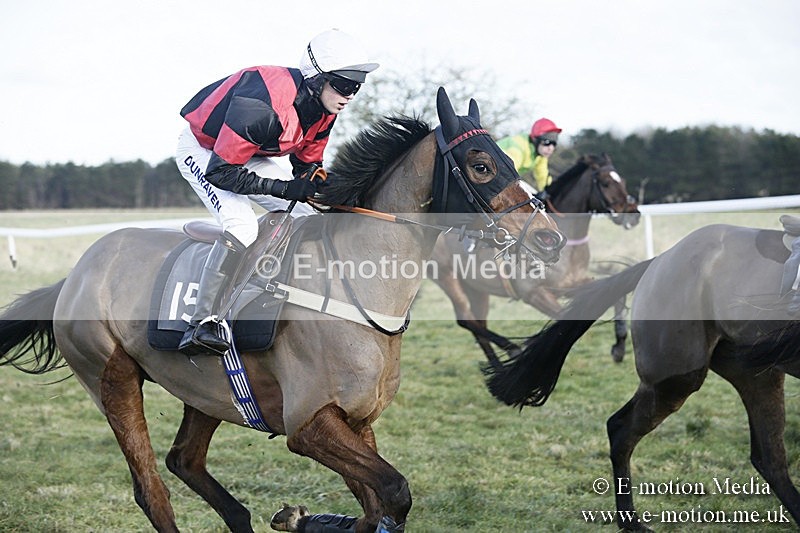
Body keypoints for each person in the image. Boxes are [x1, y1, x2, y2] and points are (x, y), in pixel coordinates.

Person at [174, 29, 379, 356]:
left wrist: (325, 187)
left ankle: (284, 290)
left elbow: (307, 163)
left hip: (249, 154)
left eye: (356, 86)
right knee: (242, 225)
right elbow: (221, 171)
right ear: (316, 78)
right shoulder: (262, 105)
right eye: (343, 84)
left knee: (308, 215)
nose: (350, 95)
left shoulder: (325, 107)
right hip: (205, 152)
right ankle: (203, 322)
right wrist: (284, 188)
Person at [497, 118, 562, 193]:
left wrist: (549, 192)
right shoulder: (518, 147)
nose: (551, 148)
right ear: (535, 140)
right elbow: (507, 175)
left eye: (554, 144)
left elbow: (543, 178)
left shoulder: (540, 156)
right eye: (547, 142)